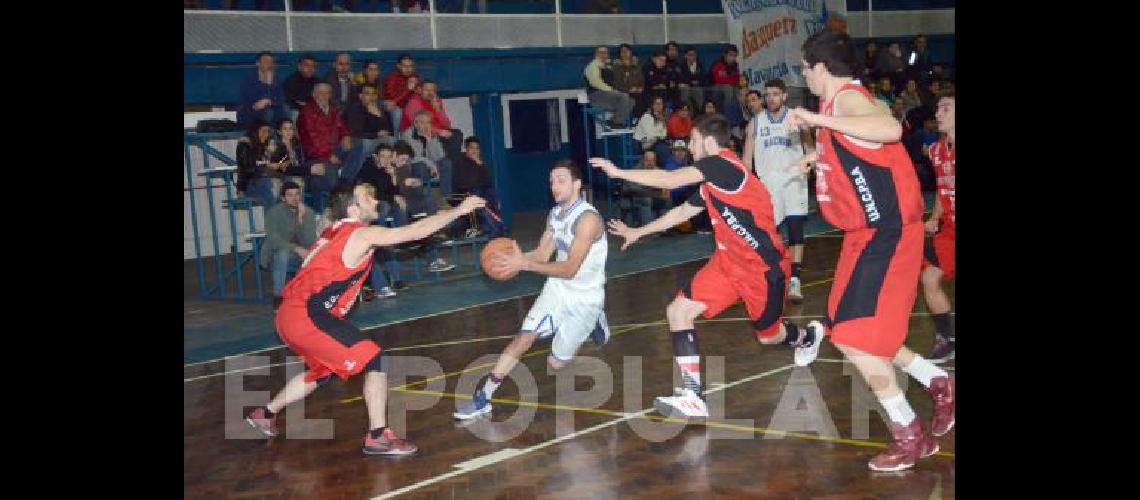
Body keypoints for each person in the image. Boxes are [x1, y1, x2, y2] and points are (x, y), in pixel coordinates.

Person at [787, 29, 953, 471]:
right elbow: (859, 150)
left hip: (886, 232)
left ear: (820, 66)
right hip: (865, 234)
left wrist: (819, 124)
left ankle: (909, 433)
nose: (804, 75)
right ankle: (938, 381)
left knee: (856, 338)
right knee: (847, 328)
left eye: (805, 67)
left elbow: (889, 128)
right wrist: (818, 158)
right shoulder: (835, 105)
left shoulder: (844, 100)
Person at [591, 113, 825, 419]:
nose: (689, 146)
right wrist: (638, 233)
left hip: (762, 269)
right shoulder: (713, 181)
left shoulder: (724, 165)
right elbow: (680, 213)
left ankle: (807, 337)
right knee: (678, 311)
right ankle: (692, 395)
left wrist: (619, 171)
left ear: (708, 141)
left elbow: (672, 179)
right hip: (728, 264)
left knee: (769, 336)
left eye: (693, 140)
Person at [245, 183, 486, 454]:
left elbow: (312, 265)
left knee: (323, 372)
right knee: (376, 359)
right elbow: (413, 232)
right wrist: (460, 210)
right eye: (367, 197)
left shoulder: (331, 231)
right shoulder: (359, 234)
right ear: (352, 208)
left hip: (290, 315)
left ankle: (265, 413)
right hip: (307, 315)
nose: (375, 200)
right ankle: (378, 436)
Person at [453, 160, 611, 420]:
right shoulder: (555, 214)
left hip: (586, 297)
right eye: (551, 181)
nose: (554, 186)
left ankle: (596, 319)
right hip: (558, 289)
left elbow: (570, 268)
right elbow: (541, 254)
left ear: (577, 184)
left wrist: (523, 263)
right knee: (523, 337)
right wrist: (509, 263)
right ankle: (485, 397)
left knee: (556, 363)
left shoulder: (588, 219)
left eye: (561, 180)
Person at [742, 79, 814, 303]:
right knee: (769, 233)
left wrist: (809, 165)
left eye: (775, 94)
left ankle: (795, 279)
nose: (770, 98)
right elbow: (746, 159)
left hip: (793, 179)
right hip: (768, 182)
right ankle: (772, 275)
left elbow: (810, 147)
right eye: (768, 94)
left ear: (784, 96)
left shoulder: (796, 118)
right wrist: (746, 184)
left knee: (795, 227)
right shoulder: (755, 123)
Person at [921, 90, 955, 363]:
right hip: (950, 231)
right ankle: (948, 339)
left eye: (945, 108)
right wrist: (934, 218)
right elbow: (942, 191)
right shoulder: (935, 150)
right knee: (930, 277)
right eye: (937, 109)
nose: (938, 113)